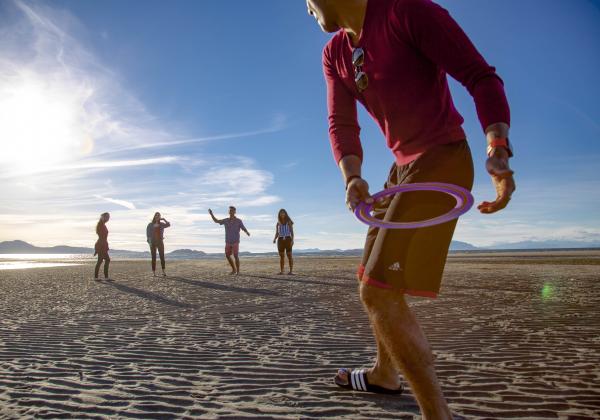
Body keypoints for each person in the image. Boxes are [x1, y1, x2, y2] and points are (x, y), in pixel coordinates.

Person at [307, 0, 516, 418]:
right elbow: (341, 123)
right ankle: (385, 374)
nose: (306, 8)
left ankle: (438, 415)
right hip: (399, 171)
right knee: (370, 278)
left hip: (442, 159)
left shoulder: (407, 11)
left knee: (378, 294)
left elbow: (480, 76)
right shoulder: (335, 53)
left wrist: (498, 149)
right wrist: (352, 177)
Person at [209, 206, 250, 274]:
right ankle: (234, 270)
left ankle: (238, 271)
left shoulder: (238, 221)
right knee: (227, 255)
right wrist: (211, 214)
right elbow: (216, 221)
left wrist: (247, 232)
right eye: (230, 210)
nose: (231, 212)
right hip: (228, 241)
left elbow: (243, 227)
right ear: (229, 212)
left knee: (236, 256)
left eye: (232, 210)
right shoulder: (226, 220)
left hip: (235, 241)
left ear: (235, 212)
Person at [146, 212, 171, 277]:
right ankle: (154, 272)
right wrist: (149, 242)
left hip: (160, 242)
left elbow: (168, 225)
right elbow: (148, 234)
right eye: (156, 216)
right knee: (153, 257)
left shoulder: (161, 224)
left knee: (162, 256)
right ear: (154, 216)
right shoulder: (150, 225)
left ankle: (163, 271)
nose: (157, 217)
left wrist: (164, 219)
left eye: (158, 216)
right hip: (153, 242)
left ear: (160, 217)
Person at [272, 209, 295, 274]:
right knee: (282, 256)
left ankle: (291, 271)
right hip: (280, 240)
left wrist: (292, 240)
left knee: (289, 255)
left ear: (285, 214)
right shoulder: (278, 223)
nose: (282, 214)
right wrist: (274, 239)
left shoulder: (289, 221)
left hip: (288, 239)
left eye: (283, 213)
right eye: (281, 213)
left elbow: (292, 232)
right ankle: (282, 271)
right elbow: (277, 233)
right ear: (279, 214)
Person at [94, 212, 111, 281]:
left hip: (103, 244)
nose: (108, 219)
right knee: (101, 260)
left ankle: (105, 277)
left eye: (108, 217)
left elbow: (104, 237)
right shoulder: (100, 225)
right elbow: (101, 236)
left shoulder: (103, 225)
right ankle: (96, 277)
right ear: (103, 217)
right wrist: (98, 248)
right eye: (107, 217)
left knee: (105, 260)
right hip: (101, 245)